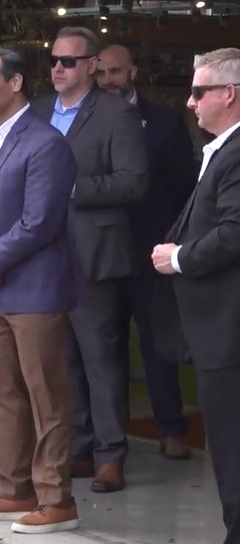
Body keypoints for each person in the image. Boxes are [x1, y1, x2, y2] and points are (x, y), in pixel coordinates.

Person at [0, 48, 79, 533]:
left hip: (35, 292)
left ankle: (57, 500)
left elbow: (41, 221)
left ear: (16, 83)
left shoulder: (46, 144)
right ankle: (12, 489)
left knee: (46, 396)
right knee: (1, 397)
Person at [30, 27, 148, 493]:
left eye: (69, 61)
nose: (58, 68)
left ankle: (110, 454)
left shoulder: (117, 114)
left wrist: (74, 187)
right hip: (40, 254)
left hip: (92, 252)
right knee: (62, 359)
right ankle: (77, 446)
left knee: (100, 355)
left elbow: (133, 182)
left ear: (92, 66)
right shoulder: (36, 111)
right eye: (54, 60)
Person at [154, 47, 240, 544]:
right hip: (215, 329)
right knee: (227, 451)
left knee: (233, 451)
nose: (190, 101)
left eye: (200, 91)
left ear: (229, 94)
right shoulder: (220, 150)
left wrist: (179, 257)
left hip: (229, 330)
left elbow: (235, 230)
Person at [96, 44, 197, 460]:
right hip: (102, 254)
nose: (108, 80)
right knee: (105, 350)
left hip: (151, 251)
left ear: (133, 71)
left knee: (159, 346)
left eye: (116, 72)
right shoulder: (84, 122)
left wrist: (174, 244)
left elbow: (184, 189)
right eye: (101, 73)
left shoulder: (164, 123)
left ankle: (171, 429)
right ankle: (109, 440)